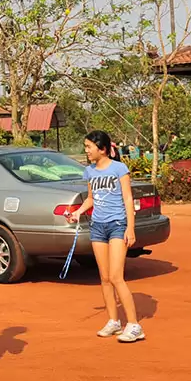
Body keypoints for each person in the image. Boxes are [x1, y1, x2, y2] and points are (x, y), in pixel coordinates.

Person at [65, 129, 144, 343]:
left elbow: (128, 199)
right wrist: (78, 212)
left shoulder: (119, 169)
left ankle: (135, 325)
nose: (86, 150)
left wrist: (130, 228)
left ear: (102, 149)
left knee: (117, 276)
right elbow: (91, 198)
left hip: (117, 225)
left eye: (89, 146)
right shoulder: (89, 172)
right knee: (105, 277)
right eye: (86, 146)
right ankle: (113, 321)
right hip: (98, 227)